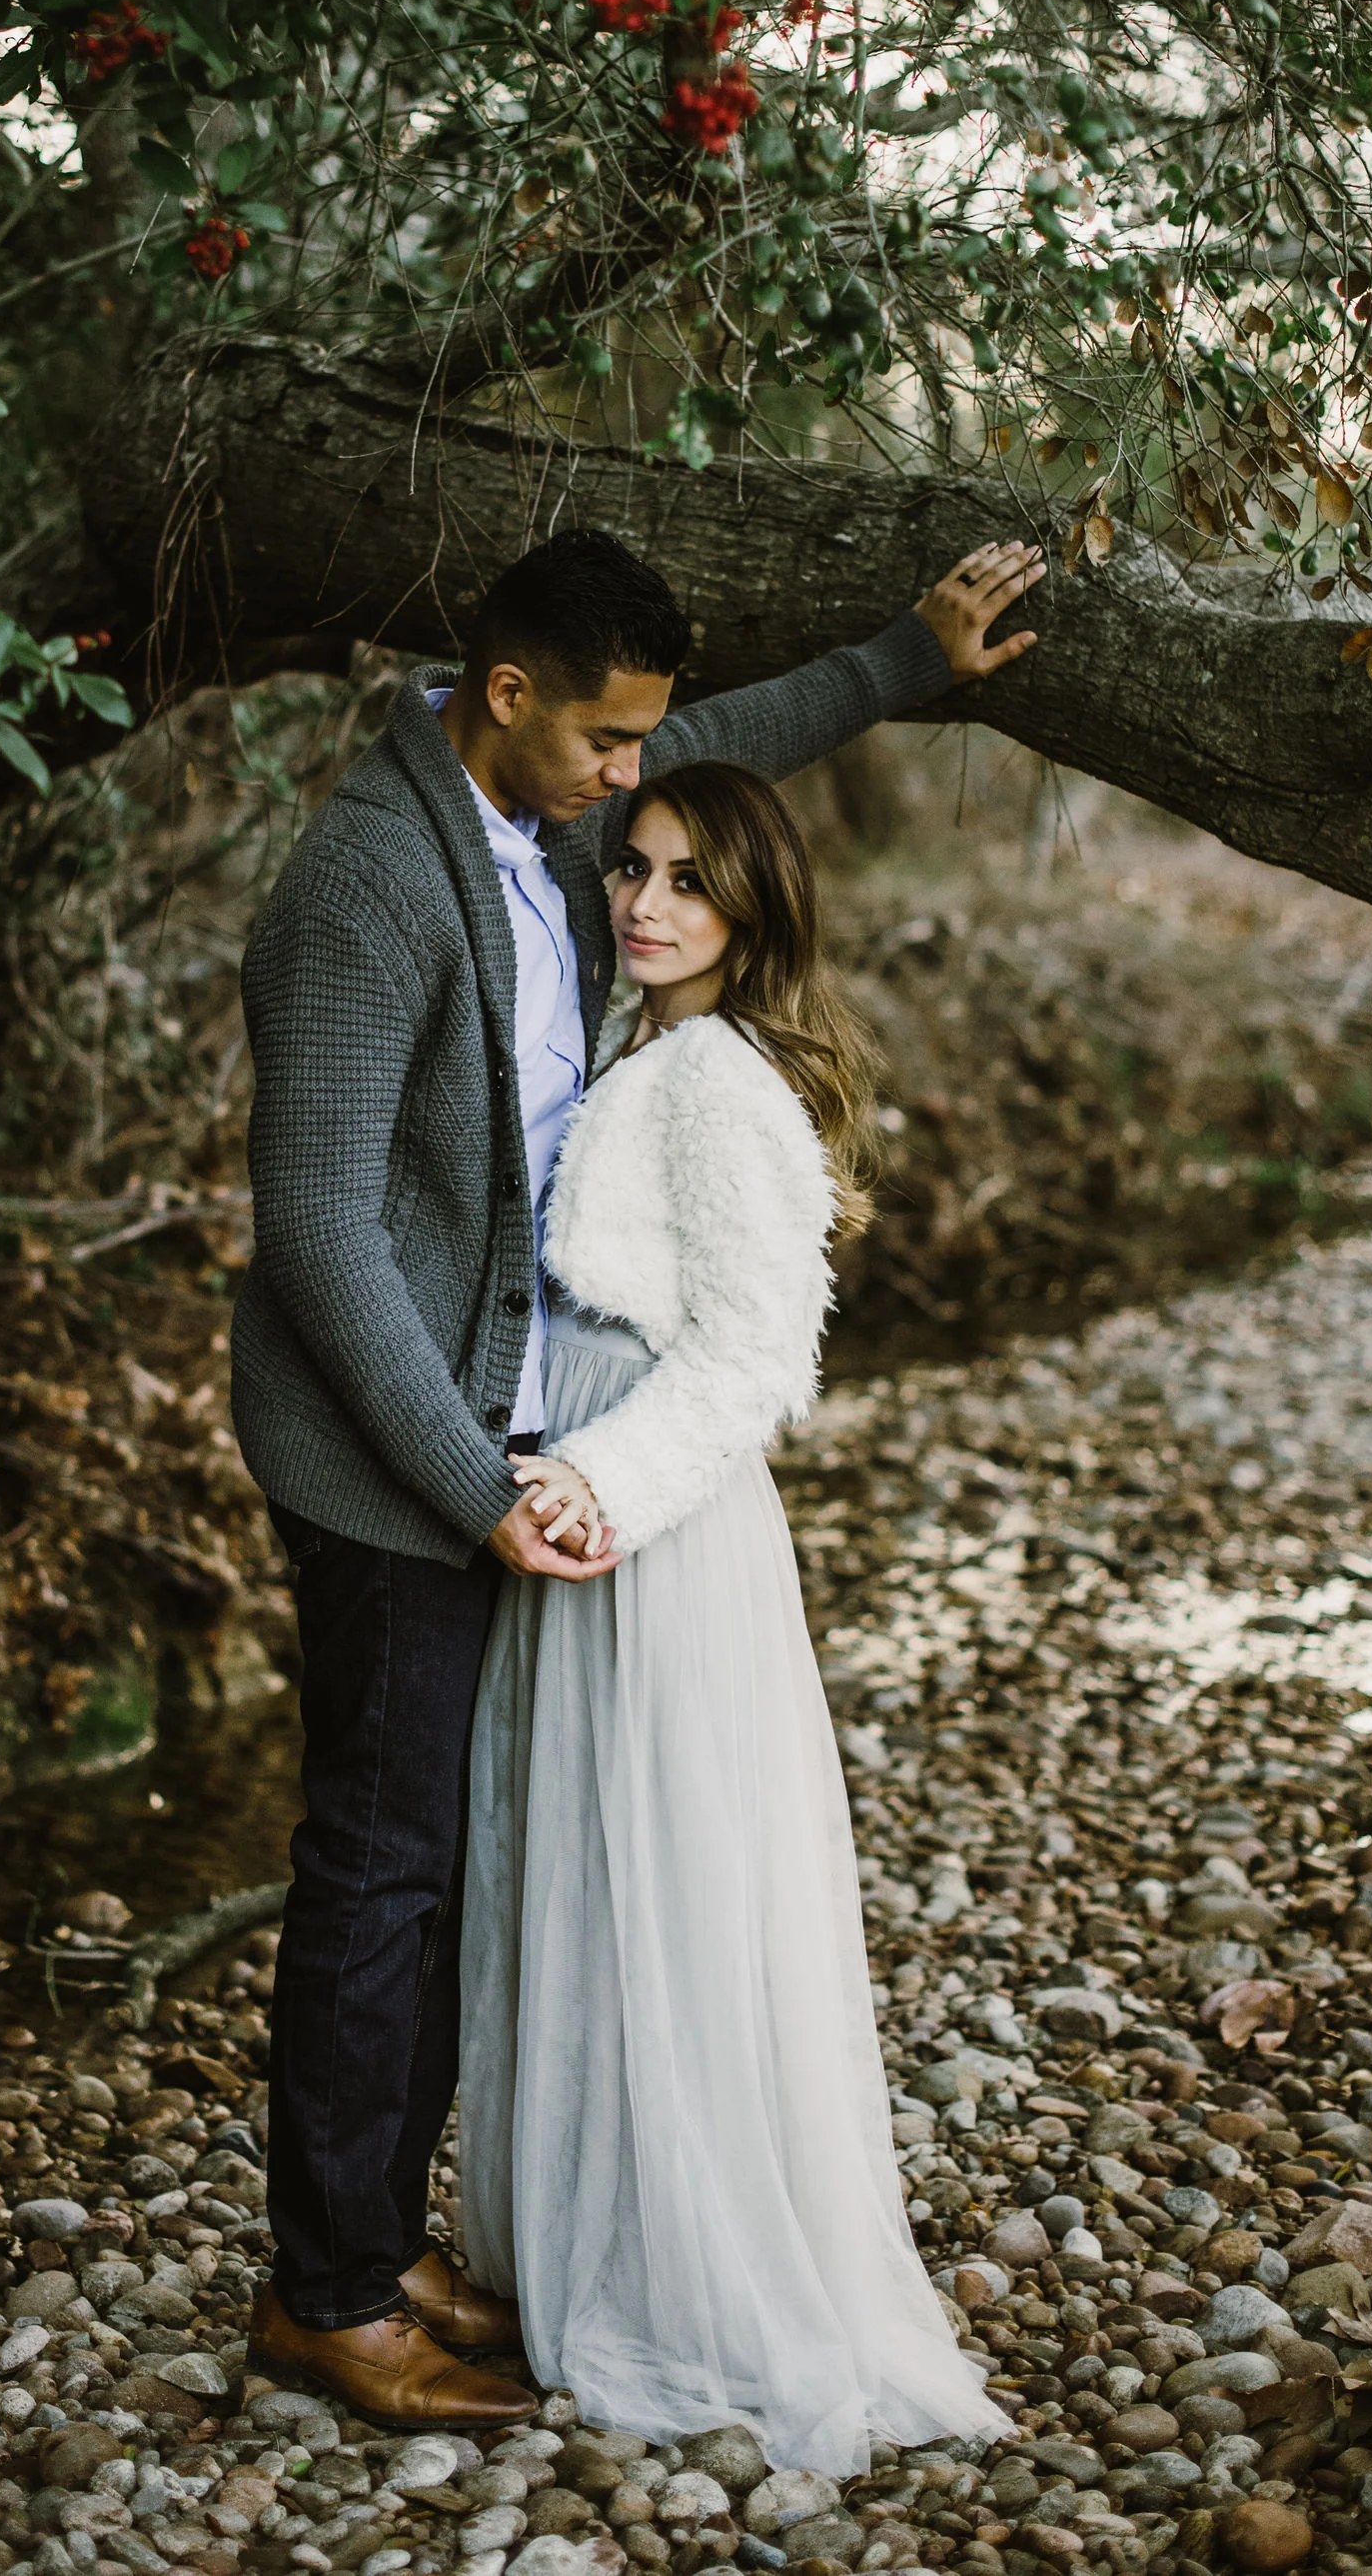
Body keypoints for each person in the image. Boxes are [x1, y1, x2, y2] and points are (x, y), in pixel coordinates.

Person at [233, 526, 1042, 2426]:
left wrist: (905, 659)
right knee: (380, 1863)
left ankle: (376, 2232)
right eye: (609, 746)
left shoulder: (573, 833)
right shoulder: (366, 881)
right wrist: (480, 1485)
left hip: (511, 1430)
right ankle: (330, 2293)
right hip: (387, 1451)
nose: (634, 789)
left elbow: (721, 765)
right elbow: (320, 1233)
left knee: (445, 1860)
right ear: (504, 698)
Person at [459, 764, 1011, 2472]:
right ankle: (592, 2238)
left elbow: (761, 1358)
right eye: (631, 867)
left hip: (655, 1527)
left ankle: (688, 2276)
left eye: (690, 881)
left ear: (754, 905)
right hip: (605, 1507)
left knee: (667, 1885)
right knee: (595, 1883)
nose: (645, 903)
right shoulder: (652, 1049)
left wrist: (593, 1488)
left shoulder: (718, 1077)